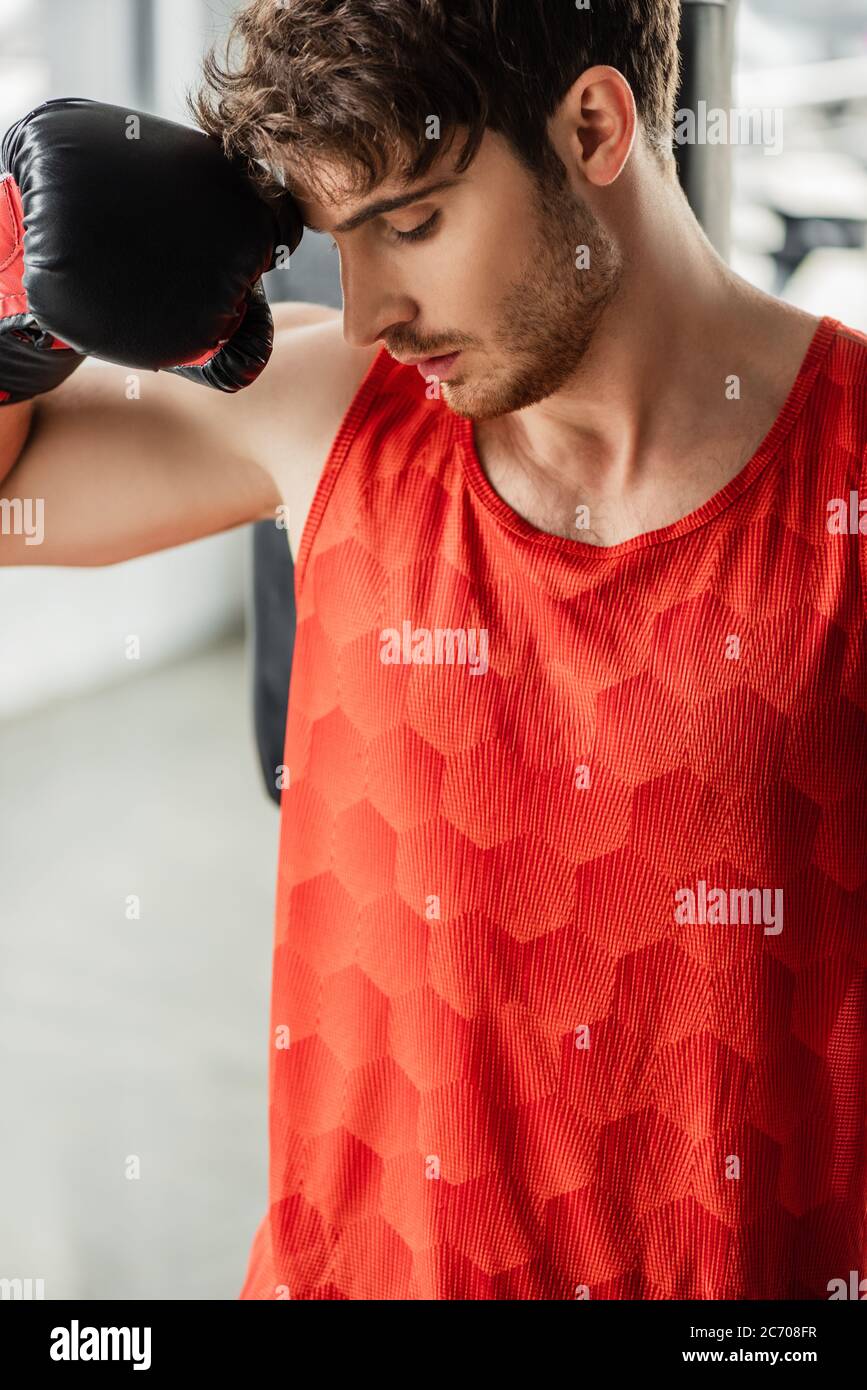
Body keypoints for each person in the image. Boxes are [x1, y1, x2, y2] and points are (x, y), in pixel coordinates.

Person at [2, 0, 865, 1300]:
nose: (367, 313)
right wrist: (19, 273)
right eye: (343, 240)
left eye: (410, 225)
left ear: (594, 126)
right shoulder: (335, 414)